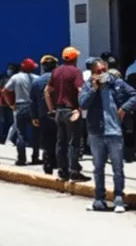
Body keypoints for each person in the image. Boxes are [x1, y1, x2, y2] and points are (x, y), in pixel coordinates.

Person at [80, 59, 136, 213]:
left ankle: (118, 198)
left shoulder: (117, 83)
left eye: (103, 70)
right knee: (98, 168)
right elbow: (83, 104)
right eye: (98, 72)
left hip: (114, 132)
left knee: (117, 168)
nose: (101, 74)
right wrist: (93, 89)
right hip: (96, 132)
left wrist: (124, 108)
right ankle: (99, 199)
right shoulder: (88, 85)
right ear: (93, 73)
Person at [45, 46, 90, 182]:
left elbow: (47, 91)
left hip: (59, 110)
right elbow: (81, 90)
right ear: (74, 58)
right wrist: (81, 108)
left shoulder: (56, 71)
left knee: (61, 142)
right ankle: (74, 171)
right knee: (74, 142)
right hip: (72, 110)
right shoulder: (76, 72)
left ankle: (62, 170)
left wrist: (52, 109)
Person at [3, 58, 41, 166]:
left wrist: (10, 104)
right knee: (36, 134)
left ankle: (21, 159)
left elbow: (5, 91)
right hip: (34, 107)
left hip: (20, 105)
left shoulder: (15, 77)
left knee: (21, 134)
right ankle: (35, 157)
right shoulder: (36, 78)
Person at [30, 55, 59, 174]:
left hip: (43, 115)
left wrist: (34, 116)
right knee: (60, 140)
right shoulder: (59, 79)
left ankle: (48, 165)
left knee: (47, 142)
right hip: (59, 114)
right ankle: (59, 163)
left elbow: (33, 101)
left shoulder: (37, 81)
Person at [0, 63, 18, 144]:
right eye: (9, 68)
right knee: (4, 122)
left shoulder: (15, 78)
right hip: (4, 104)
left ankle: (11, 139)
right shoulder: (2, 77)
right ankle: (4, 138)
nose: (10, 70)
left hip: (12, 104)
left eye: (11, 69)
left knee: (12, 122)